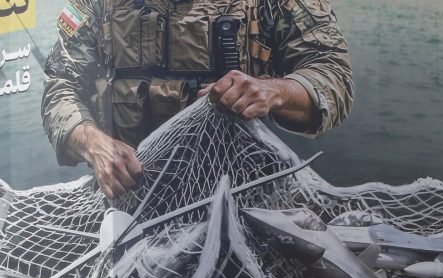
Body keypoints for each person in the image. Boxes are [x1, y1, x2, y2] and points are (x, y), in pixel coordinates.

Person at [41, 0, 354, 199]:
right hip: (131, 200)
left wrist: (275, 91)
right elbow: (61, 84)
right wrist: (91, 141)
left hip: (245, 198)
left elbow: (332, 74)